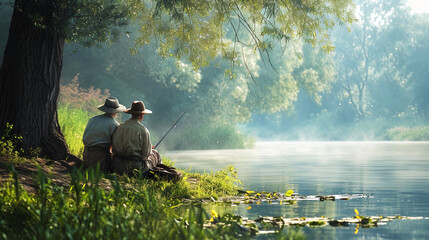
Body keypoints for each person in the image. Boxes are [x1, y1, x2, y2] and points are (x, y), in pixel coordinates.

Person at [111, 101, 162, 175]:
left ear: (131, 114)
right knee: (155, 154)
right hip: (136, 168)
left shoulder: (119, 127)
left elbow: (114, 148)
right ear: (141, 115)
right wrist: (150, 149)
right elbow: (146, 154)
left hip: (117, 166)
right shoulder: (143, 130)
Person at [82, 96, 126, 171]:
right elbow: (115, 145)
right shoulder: (115, 124)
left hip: (86, 154)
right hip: (100, 157)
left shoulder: (93, 119)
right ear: (116, 112)